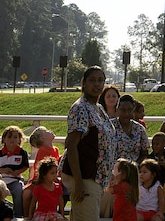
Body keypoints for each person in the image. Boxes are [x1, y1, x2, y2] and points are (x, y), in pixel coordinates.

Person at [61, 66, 118, 221]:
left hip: (96, 177)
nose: (97, 84)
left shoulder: (98, 108)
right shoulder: (80, 108)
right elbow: (71, 145)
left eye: (100, 80)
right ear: (84, 83)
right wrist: (79, 183)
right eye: (92, 80)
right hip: (84, 176)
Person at [24, 126, 61, 217]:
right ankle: (26, 215)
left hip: (51, 179)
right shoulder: (43, 150)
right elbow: (40, 169)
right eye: (47, 131)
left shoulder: (55, 150)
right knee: (26, 194)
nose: (50, 131)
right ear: (42, 138)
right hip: (40, 180)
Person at [0, 125, 30, 210]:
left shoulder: (22, 153)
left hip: (15, 179)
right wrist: (3, 170)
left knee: (19, 190)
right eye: (9, 137)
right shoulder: (0, 154)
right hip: (1, 180)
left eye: (15, 137)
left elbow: (25, 166)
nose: (12, 139)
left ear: (20, 139)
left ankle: (18, 214)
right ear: (4, 139)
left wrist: (18, 172)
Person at [28, 156, 66, 221]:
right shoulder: (39, 188)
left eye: (55, 173)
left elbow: (61, 202)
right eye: (52, 173)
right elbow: (33, 203)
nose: (55, 175)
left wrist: (62, 215)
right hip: (41, 213)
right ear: (44, 175)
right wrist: (30, 217)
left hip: (54, 213)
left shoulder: (57, 187)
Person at [115, 95, 150, 163]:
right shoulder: (110, 127)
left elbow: (144, 154)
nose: (126, 113)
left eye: (129, 110)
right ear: (117, 110)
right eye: (123, 110)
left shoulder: (140, 129)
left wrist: (135, 166)